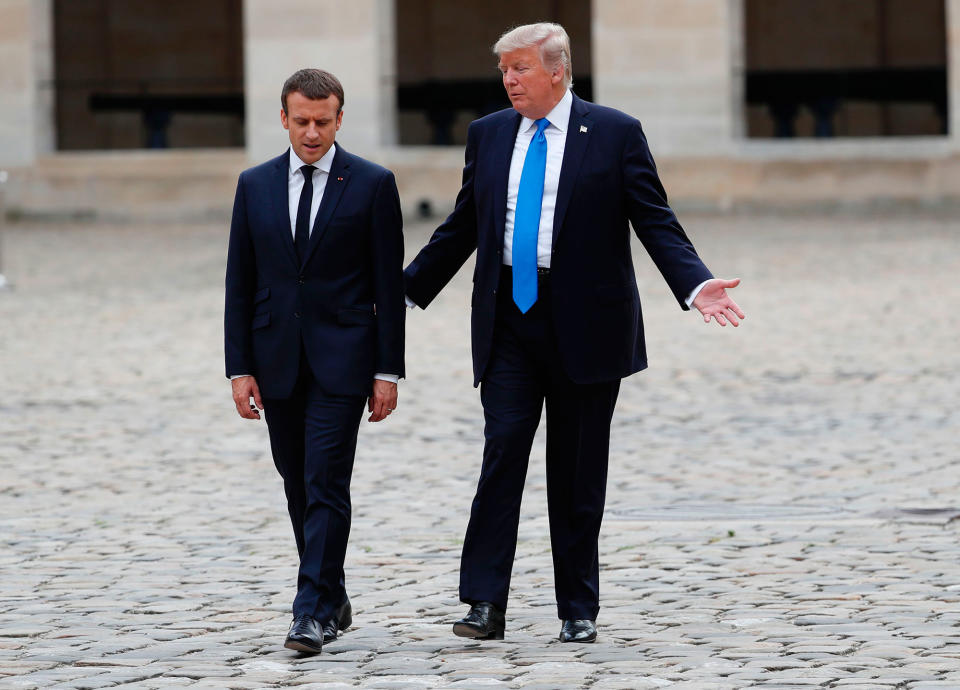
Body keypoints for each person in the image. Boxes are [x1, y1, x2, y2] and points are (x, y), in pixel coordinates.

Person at [403, 23, 743, 644]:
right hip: (509, 316)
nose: (509, 80)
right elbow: (462, 226)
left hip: (587, 323)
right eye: (504, 69)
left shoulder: (614, 133)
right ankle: (483, 603)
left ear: (557, 70)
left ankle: (577, 608)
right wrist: (402, 290)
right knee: (502, 451)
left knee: (578, 468)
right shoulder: (489, 134)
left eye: (521, 68)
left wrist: (695, 286)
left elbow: (654, 218)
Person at [224, 68, 405, 654]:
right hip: (275, 359)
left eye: (322, 122)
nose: (311, 132)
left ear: (339, 119)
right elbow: (240, 283)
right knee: (296, 481)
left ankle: (307, 612)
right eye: (300, 121)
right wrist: (238, 366)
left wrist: (387, 371)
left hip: (344, 361)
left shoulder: (373, 184)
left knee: (326, 478)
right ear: (283, 118)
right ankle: (331, 593)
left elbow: (386, 283)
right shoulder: (254, 185)